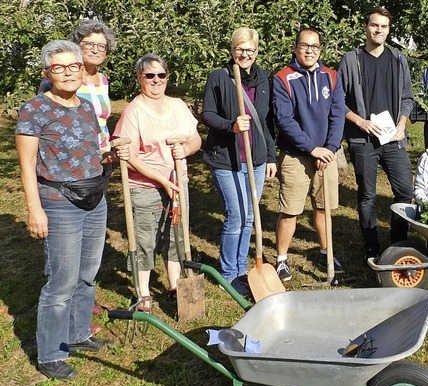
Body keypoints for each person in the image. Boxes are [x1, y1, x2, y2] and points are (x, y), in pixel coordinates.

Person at [16, 40, 129, 380]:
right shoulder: (34, 109)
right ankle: (50, 353)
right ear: (46, 73)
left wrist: (111, 155)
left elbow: (90, 153)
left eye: (73, 67)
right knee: (61, 280)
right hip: (58, 201)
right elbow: (27, 165)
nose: (67, 73)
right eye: (59, 68)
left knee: (87, 271)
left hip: (95, 196)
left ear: (82, 70)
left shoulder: (85, 106)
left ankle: (78, 335)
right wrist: (35, 209)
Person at [39, 19, 117, 333]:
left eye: (101, 46)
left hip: (98, 166)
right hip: (67, 173)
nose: (96, 50)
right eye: (89, 45)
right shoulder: (61, 79)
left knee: (87, 242)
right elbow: (47, 126)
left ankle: (80, 308)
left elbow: (100, 121)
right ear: (76, 47)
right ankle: (62, 302)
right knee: (64, 246)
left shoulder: (103, 80)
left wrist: (109, 144)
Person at [114, 54, 202, 312]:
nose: (156, 80)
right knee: (145, 238)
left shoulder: (178, 105)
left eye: (160, 75)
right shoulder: (134, 110)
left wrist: (185, 151)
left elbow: (195, 139)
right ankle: (143, 292)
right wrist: (160, 179)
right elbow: (127, 156)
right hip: (145, 186)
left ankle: (175, 285)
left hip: (178, 180)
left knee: (176, 235)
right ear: (139, 77)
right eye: (149, 75)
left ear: (166, 77)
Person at [201, 27, 277, 294]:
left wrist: (270, 156)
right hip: (227, 159)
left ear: (256, 52)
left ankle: (242, 269)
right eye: (240, 49)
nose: (245, 54)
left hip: (255, 159)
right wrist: (231, 126)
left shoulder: (263, 79)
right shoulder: (219, 77)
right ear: (232, 50)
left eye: (250, 50)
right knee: (236, 215)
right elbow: (207, 114)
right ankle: (228, 273)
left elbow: (266, 122)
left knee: (249, 217)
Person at [339, 6, 415, 262]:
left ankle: (398, 243)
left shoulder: (397, 59)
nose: (378, 30)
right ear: (366, 28)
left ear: (388, 29)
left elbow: (407, 98)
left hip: (393, 139)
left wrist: (402, 124)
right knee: (367, 195)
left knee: (405, 191)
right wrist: (360, 122)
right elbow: (338, 102)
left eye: (383, 26)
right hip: (364, 140)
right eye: (374, 25)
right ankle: (371, 248)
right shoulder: (351, 60)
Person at [272, 28, 346, 281]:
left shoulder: (332, 77)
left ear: (320, 49)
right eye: (305, 46)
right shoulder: (283, 78)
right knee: (291, 210)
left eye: (315, 47)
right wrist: (311, 148)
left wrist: (330, 149)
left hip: (327, 155)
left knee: (324, 209)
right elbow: (284, 120)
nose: (310, 51)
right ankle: (281, 259)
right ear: (295, 48)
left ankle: (327, 254)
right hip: (296, 156)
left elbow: (337, 116)